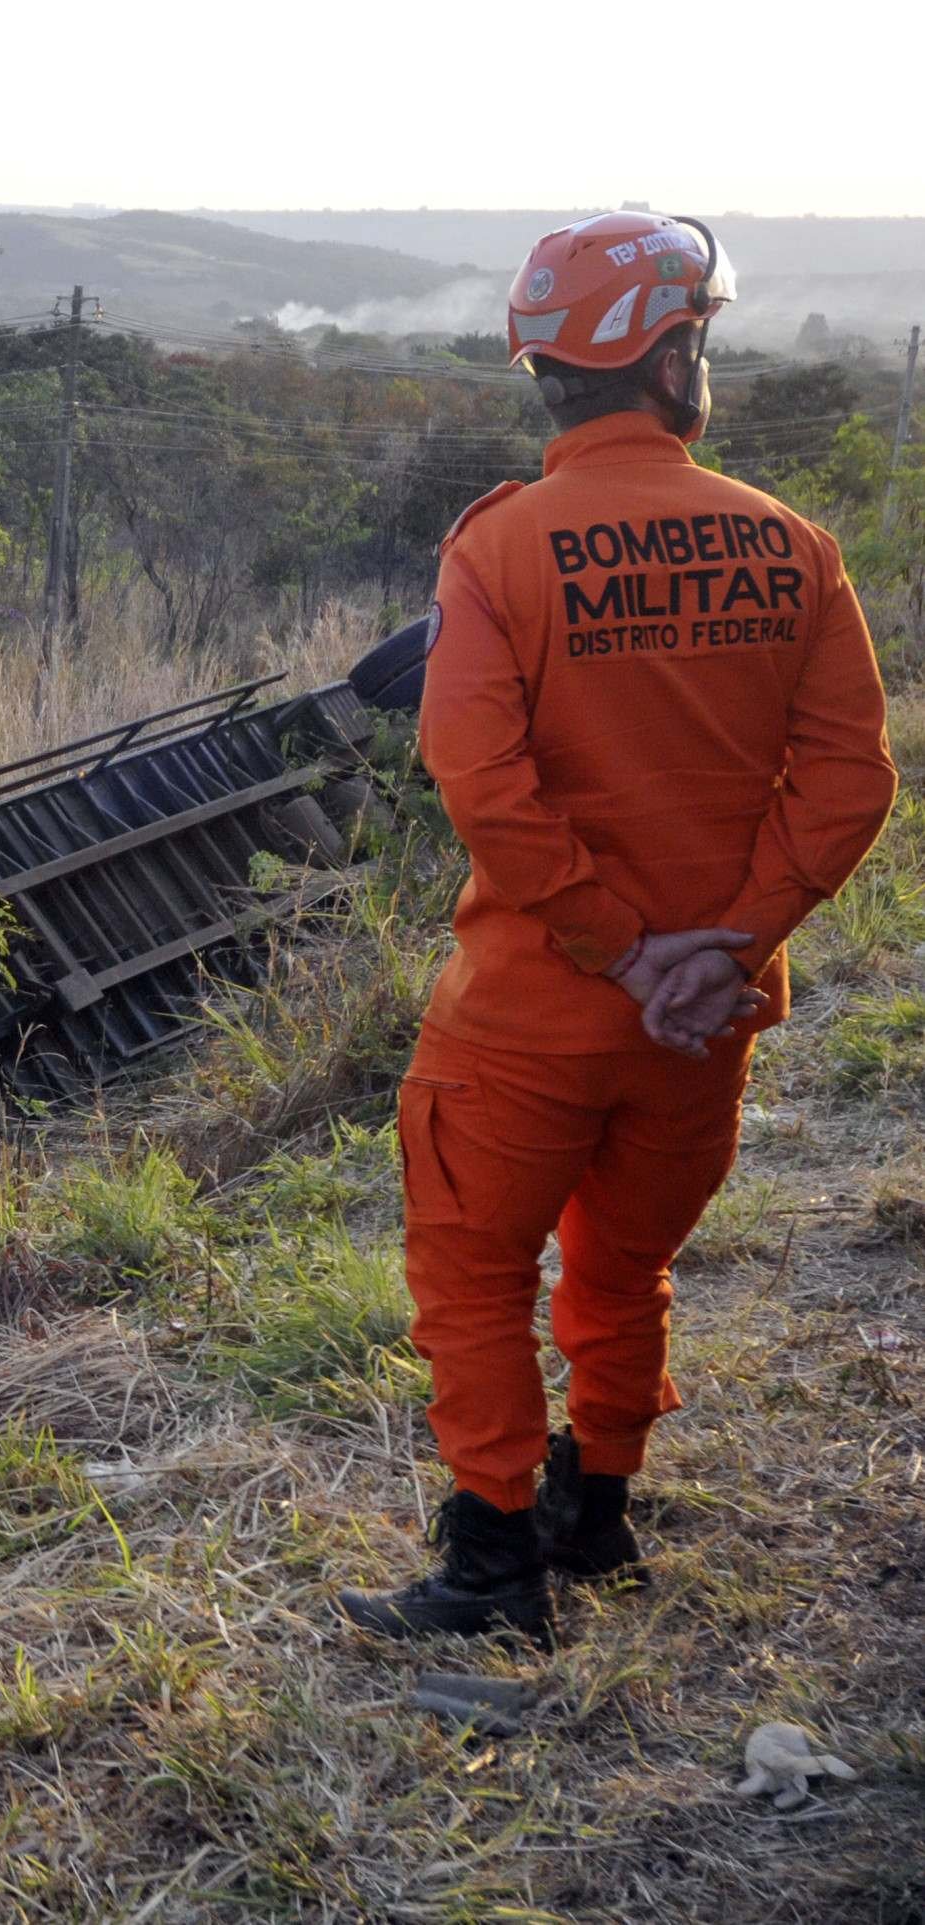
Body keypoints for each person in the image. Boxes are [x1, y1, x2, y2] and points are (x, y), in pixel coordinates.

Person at [338, 212, 899, 1645]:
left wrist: (608, 939)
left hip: (531, 1014)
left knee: (470, 1272)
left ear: (551, 372)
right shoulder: (792, 546)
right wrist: (718, 946)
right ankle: (593, 1517)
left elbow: (476, 777)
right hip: (695, 1025)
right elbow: (848, 781)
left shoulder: (498, 550)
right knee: (619, 1265)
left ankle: (487, 1570)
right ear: (668, 356)